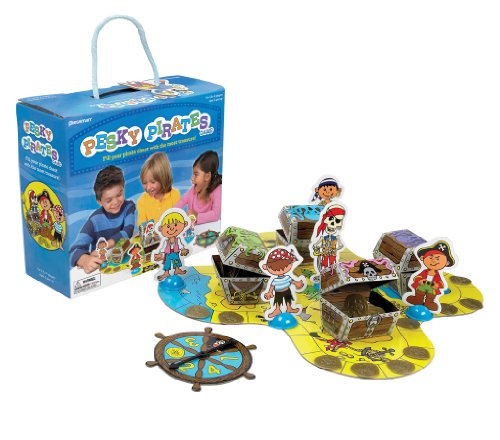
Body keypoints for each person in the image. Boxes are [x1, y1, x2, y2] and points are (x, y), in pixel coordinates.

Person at [70, 166, 136, 274]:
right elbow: (74, 250)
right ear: (99, 201)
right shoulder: (94, 220)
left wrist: (105, 246)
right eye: (109, 200)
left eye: (119, 195)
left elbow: (128, 231)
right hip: (101, 267)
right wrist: (85, 260)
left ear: (123, 189)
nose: (115, 202)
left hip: (124, 260)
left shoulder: (129, 207)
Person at [404, 240, 456, 312]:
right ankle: (417, 299)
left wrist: (437, 285)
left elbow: (441, 282)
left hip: (432, 287)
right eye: (430, 258)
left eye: (437, 258)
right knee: (419, 291)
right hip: (422, 285)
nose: (433, 261)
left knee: (431, 294)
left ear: (446, 263)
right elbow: (418, 277)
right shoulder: (424, 271)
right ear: (422, 258)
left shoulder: (438, 275)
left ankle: (429, 303)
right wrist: (420, 280)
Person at [175, 150, 222, 225]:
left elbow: (215, 215)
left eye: (196, 174)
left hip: (210, 229)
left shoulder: (217, 191)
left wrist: (197, 215)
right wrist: (172, 214)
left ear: (207, 176)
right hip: (194, 229)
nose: (192, 178)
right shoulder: (193, 190)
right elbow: (182, 201)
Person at [260, 247, 305, 320]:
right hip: (278, 292)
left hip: (287, 291)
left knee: (288, 300)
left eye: (284, 268)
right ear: (267, 267)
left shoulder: (287, 277)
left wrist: (297, 283)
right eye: (275, 269)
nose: (280, 271)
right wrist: (269, 292)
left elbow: (292, 281)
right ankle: (277, 310)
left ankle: (289, 308)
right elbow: (272, 286)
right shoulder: (275, 280)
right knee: (277, 302)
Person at [136, 152, 180, 226]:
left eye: (153, 182)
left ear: (163, 179)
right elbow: (142, 225)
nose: (148, 187)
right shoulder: (142, 201)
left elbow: (178, 219)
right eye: (144, 183)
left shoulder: (175, 195)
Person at [153, 209, 190, 281]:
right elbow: (162, 249)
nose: (172, 228)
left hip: (176, 253)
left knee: (177, 261)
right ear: (160, 229)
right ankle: (166, 273)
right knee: (167, 263)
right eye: (168, 226)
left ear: (184, 224)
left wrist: (184, 250)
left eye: (176, 225)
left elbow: (181, 246)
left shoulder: (178, 239)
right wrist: (160, 255)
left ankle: (177, 270)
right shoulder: (165, 241)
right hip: (167, 255)